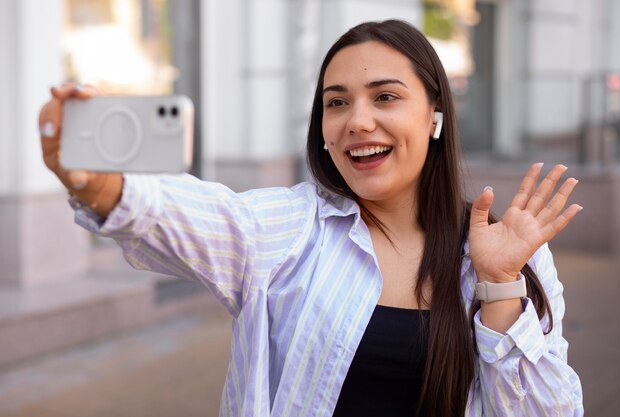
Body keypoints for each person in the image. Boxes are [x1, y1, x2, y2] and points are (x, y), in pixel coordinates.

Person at [38, 19, 583, 417]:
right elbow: (183, 215)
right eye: (337, 102)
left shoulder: (509, 254)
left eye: (385, 97)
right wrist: (95, 181)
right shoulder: (291, 229)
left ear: (435, 115)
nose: (357, 121)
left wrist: (498, 287)